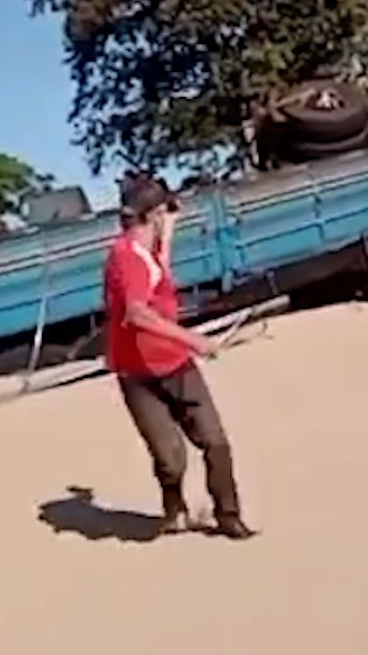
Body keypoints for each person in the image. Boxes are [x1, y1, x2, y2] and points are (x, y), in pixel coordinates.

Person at [103, 173, 257, 540]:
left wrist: (169, 233)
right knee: (170, 457)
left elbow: (159, 276)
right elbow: (137, 313)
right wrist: (194, 339)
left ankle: (228, 514)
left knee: (214, 440)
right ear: (153, 214)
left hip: (173, 362)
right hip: (138, 371)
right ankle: (174, 509)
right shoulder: (127, 258)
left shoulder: (143, 252)